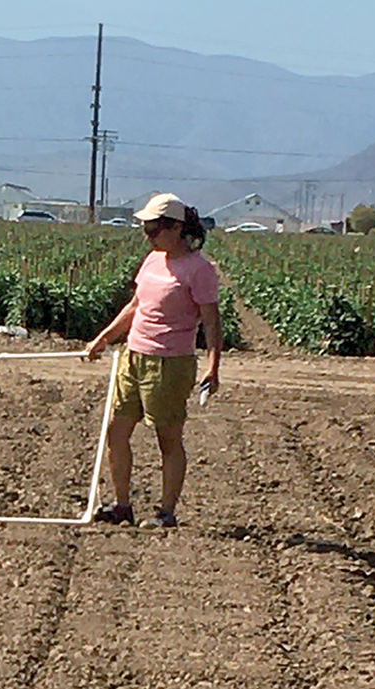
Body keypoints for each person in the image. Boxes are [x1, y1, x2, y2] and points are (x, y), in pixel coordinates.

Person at [84, 193, 221, 529]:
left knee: (168, 439)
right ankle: (122, 506)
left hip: (170, 364)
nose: (149, 236)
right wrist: (104, 338)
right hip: (134, 357)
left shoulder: (199, 269)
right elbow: (135, 307)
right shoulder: (152, 260)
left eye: (154, 230)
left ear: (176, 228)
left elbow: (212, 321)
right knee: (116, 432)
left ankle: (166, 513)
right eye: (146, 230)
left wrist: (213, 366)